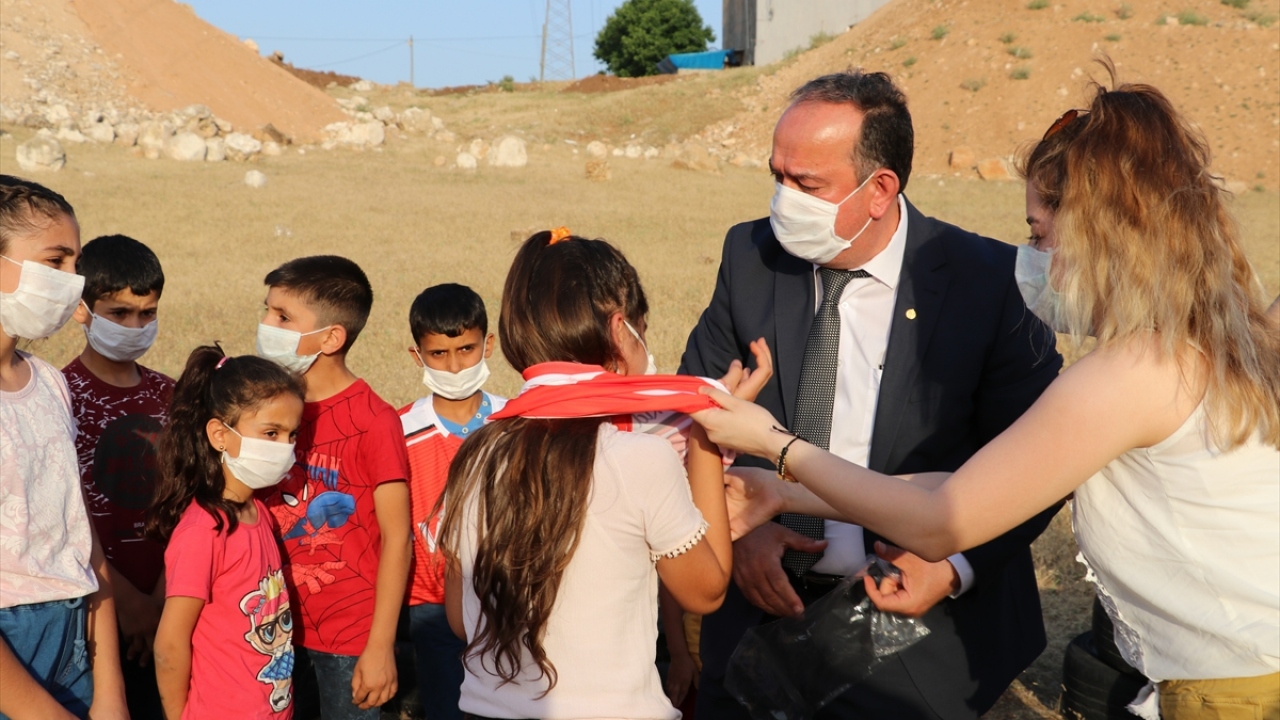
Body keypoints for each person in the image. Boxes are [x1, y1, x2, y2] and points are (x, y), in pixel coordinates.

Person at [693, 78, 1280, 719]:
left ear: (1097, 233)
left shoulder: (1132, 371)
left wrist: (775, 448)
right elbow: (983, 480)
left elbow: (944, 519)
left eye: (1037, 232)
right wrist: (783, 493)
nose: (1030, 257)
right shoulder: (1202, 339)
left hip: (1235, 691)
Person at [678, 71, 1064, 719]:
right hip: (758, 619)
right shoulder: (749, 255)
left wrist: (952, 563)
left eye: (807, 185)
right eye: (777, 175)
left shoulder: (989, 282)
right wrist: (740, 534)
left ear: (880, 189)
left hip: (916, 632)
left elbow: (1044, 459)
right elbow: (696, 412)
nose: (783, 199)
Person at [436, 230, 734, 719]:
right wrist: (705, 436)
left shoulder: (476, 452)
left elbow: (461, 620)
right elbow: (707, 589)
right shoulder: (639, 457)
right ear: (621, 331)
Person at [255, 255, 412, 720]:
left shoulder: (374, 421)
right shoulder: (265, 406)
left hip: (349, 639)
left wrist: (381, 646)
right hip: (272, 626)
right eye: (267, 311)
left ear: (331, 337)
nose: (267, 324)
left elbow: (397, 537)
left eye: (283, 317)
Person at [0, 175, 128, 720]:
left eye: (75, 264)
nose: (72, 282)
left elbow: (82, 541)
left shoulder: (50, 383)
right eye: (55, 261)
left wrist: (110, 692)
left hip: (77, 638)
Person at [148, 347, 304, 720]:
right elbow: (169, 644)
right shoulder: (204, 530)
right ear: (220, 434)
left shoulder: (258, 513)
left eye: (292, 434)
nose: (285, 448)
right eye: (271, 432)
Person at [63, 233, 173, 720]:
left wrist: (164, 597)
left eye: (146, 313)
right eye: (119, 314)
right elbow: (66, 511)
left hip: (175, 602)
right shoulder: (59, 395)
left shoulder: (175, 396)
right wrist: (127, 603)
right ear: (82, 310)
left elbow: (194, 504)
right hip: (98, 611)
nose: (134, 326)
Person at [397, 283, 505, 720]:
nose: (456, 366)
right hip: (431, 606)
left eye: (466, 349)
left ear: (488, 346)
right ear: (416, 356)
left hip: (508, 602)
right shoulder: (400, 430)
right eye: (439, 355)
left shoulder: (516, 423)